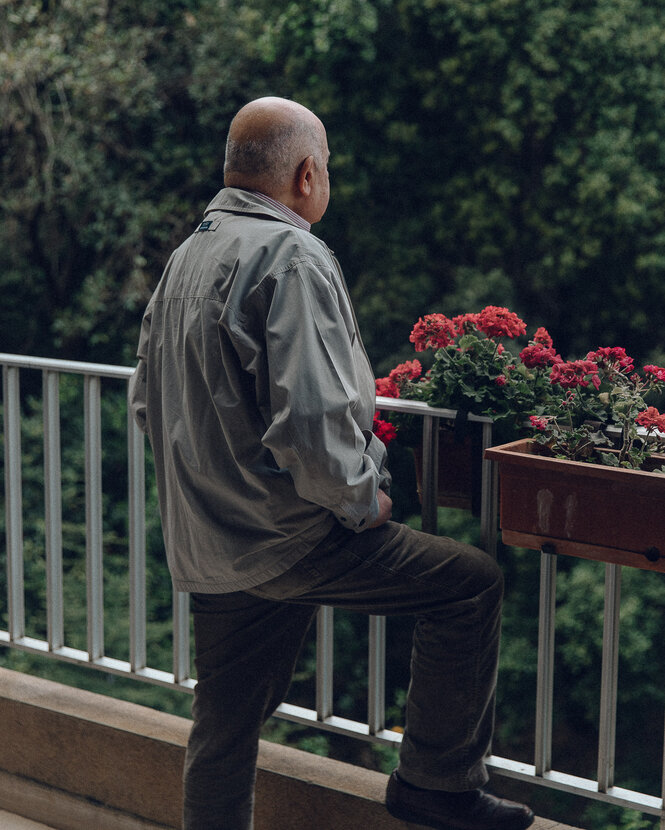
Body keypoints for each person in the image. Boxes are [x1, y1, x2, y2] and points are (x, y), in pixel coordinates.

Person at [129, 96, 534, 830]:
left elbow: (143, 402)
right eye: (329, 169)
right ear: (306, 173)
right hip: (289, 536)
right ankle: (434, 787)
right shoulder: (289, 255)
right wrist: (360, 503)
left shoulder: (189, 254)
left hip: (213, 541)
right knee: (467, 586)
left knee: (222, 729)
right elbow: (312, 421)